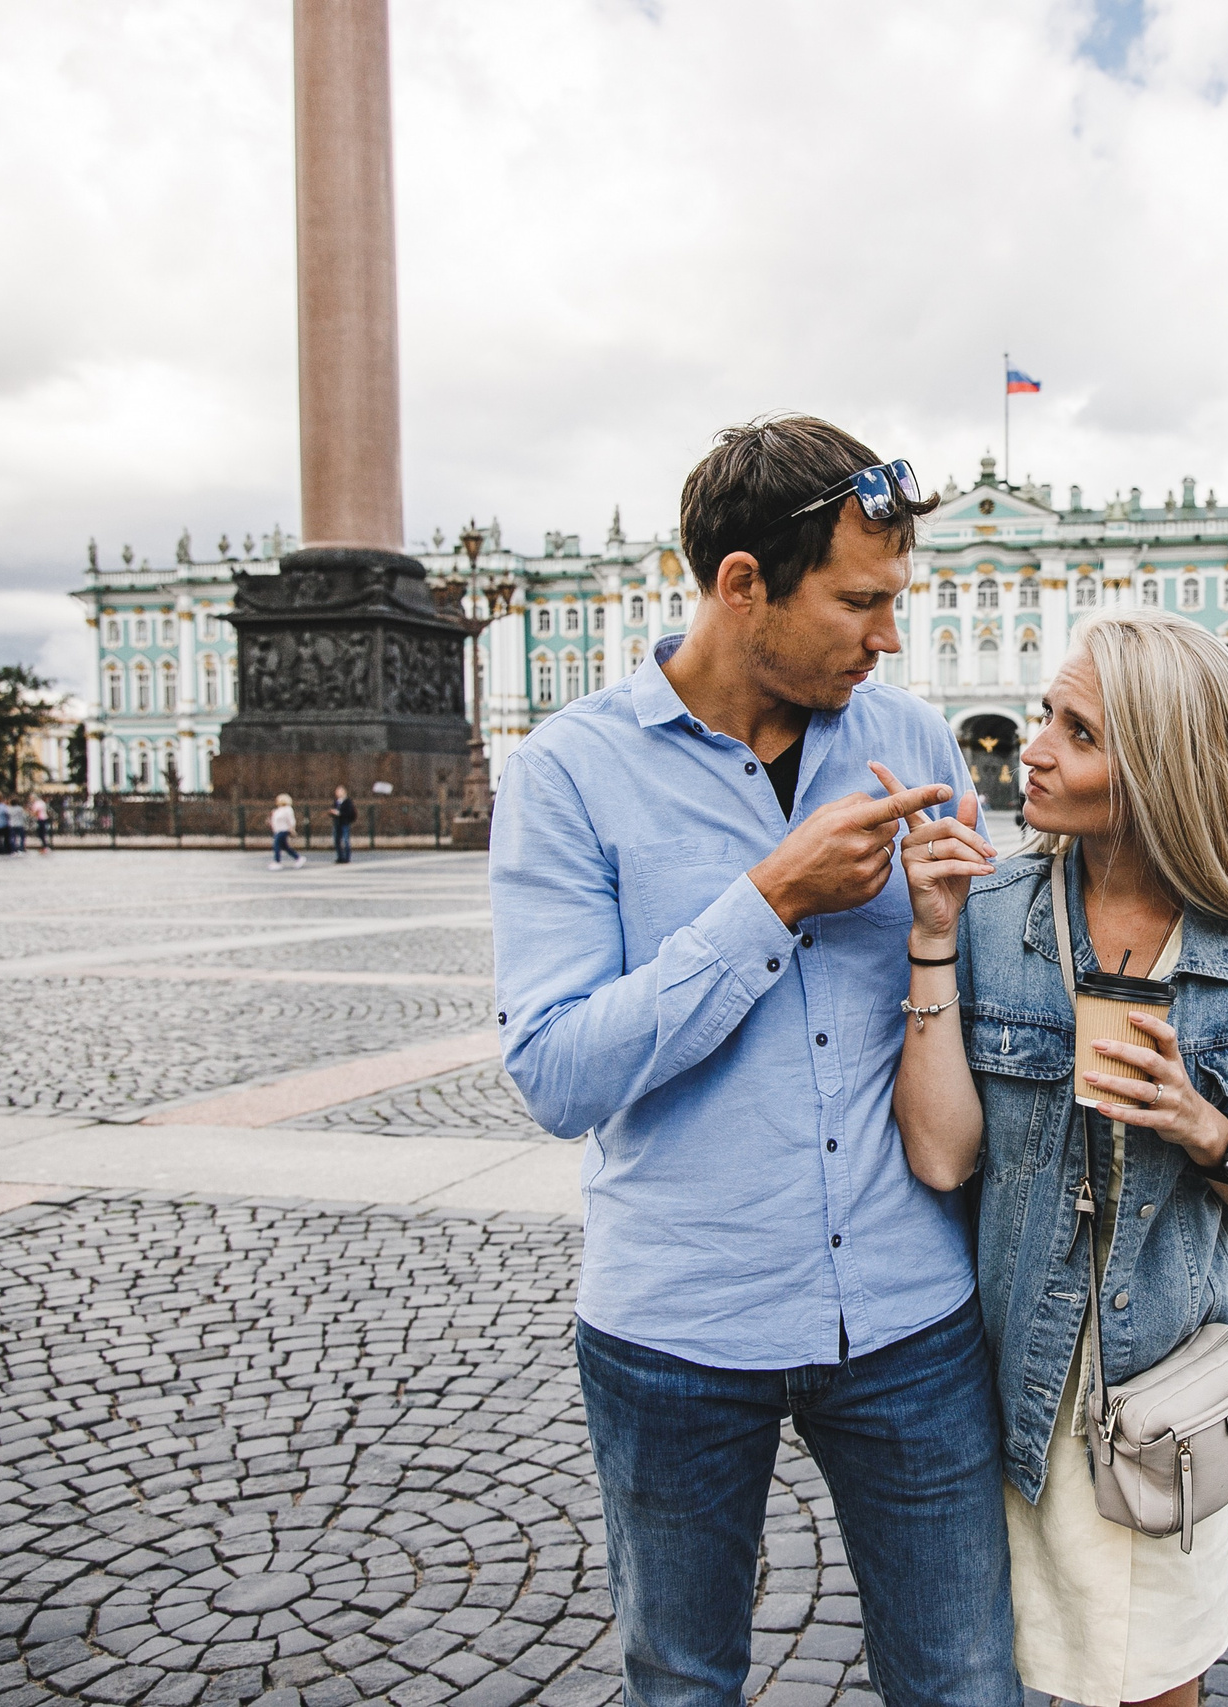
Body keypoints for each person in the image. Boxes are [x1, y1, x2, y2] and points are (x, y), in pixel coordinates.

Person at [493, 417, 1020, 1707]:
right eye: (858, 602)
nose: (888, 637)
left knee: (964, 1683)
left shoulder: (912, 742)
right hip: (677, 1323)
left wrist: (962, 932)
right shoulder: (569, 774)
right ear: (742, 585)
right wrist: (765, 902)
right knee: (681, 1683)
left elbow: (981, 1016)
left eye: (895, 602)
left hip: (907, 1314)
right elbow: (555, 1074)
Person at [892, 611, 1228, 1707]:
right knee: (983, 1674)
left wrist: (1204, 1128)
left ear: (1159, 767)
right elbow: (939, 1155)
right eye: (1043, 720)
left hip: (1161, 1392)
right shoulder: (990, 914)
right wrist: (927, 935)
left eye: (1079, 732)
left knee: (1155, 1682)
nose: (1036, 751)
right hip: (996, 1377)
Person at [269, 793, 302, 867]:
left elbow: (291, 820)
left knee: (276, 845)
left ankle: (277, 861)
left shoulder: (287, 809)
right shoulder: (278, 809)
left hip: (283, 829)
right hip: (278, 830)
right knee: (285, 846)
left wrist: (292, 828)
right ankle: (298, 857)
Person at [330, 785, 356, 864]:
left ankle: (347, 857)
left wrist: (339, 813)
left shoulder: (347, 801)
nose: (337, 793)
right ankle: (340, 857)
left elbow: (349, 812)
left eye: (339, 791)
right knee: (337, 840)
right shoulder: (336, 801)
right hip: (337, 823)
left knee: (345, 840)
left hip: (344, 823)